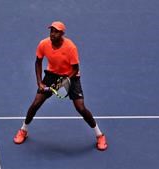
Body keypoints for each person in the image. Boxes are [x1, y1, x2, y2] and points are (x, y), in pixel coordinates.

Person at [13, 21, 108, 151]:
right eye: (51, 31)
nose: (53, 34)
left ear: (62, 34)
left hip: (71, 76)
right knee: (36, 103)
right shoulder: (43, 44)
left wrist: (65, 83)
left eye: (56, 31)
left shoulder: (71, 47)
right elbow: (38, 62)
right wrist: (39, 82)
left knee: (80, 108)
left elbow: (76, 69)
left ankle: (100, 135)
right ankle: (23, 130)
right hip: (52, 75)